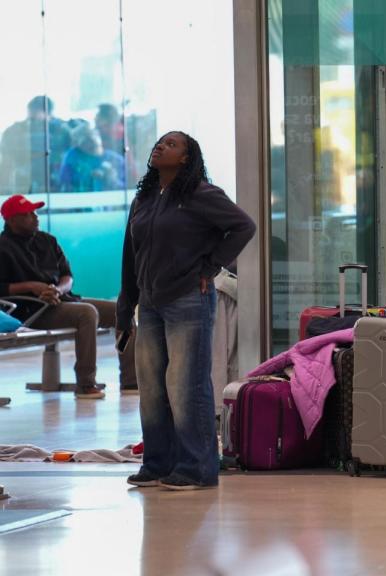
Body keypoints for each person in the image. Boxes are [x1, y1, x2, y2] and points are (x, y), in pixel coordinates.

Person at [117, 132, 255, 491]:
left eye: (172, 144)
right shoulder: (145, 197)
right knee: (151, 387)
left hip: (187, 299)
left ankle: (197, 468)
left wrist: (210, 266)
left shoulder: (201, 194)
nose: (161, 146)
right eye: (159, 142)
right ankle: (158, 464)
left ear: (185, 158)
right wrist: (124, 307)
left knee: (185, 385)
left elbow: (243, 227)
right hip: (149, 303)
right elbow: (129, 257)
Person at [0, 194, 136, 398]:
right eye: (27, 214)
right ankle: (85, 383)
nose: (35, 217)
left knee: (120, 311)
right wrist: (33, 287)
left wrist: (57, 290)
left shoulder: (48, 241)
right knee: (86, 313)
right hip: (30, 310)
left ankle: (130, 379)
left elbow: (67, 276)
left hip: (62, 300)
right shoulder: (3, 247)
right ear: (11, 220)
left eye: (35, 211)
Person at [0, 96, 72, 195]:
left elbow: (69, 158)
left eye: (36, 112)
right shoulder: (14, 131)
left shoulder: (62, 131)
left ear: (48, 113)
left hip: (53, 182)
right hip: (24, 182)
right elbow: (6, 162)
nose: (32, 118)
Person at [58, 124, 126, 192]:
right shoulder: (72, 157)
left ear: (99, 135)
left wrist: (110, 178)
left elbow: (126, 190)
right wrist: (87, 176)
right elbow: (64, 185)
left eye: (92, 136)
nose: (92, 141)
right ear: (77, 145)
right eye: (85, 140)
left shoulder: (116, 160)